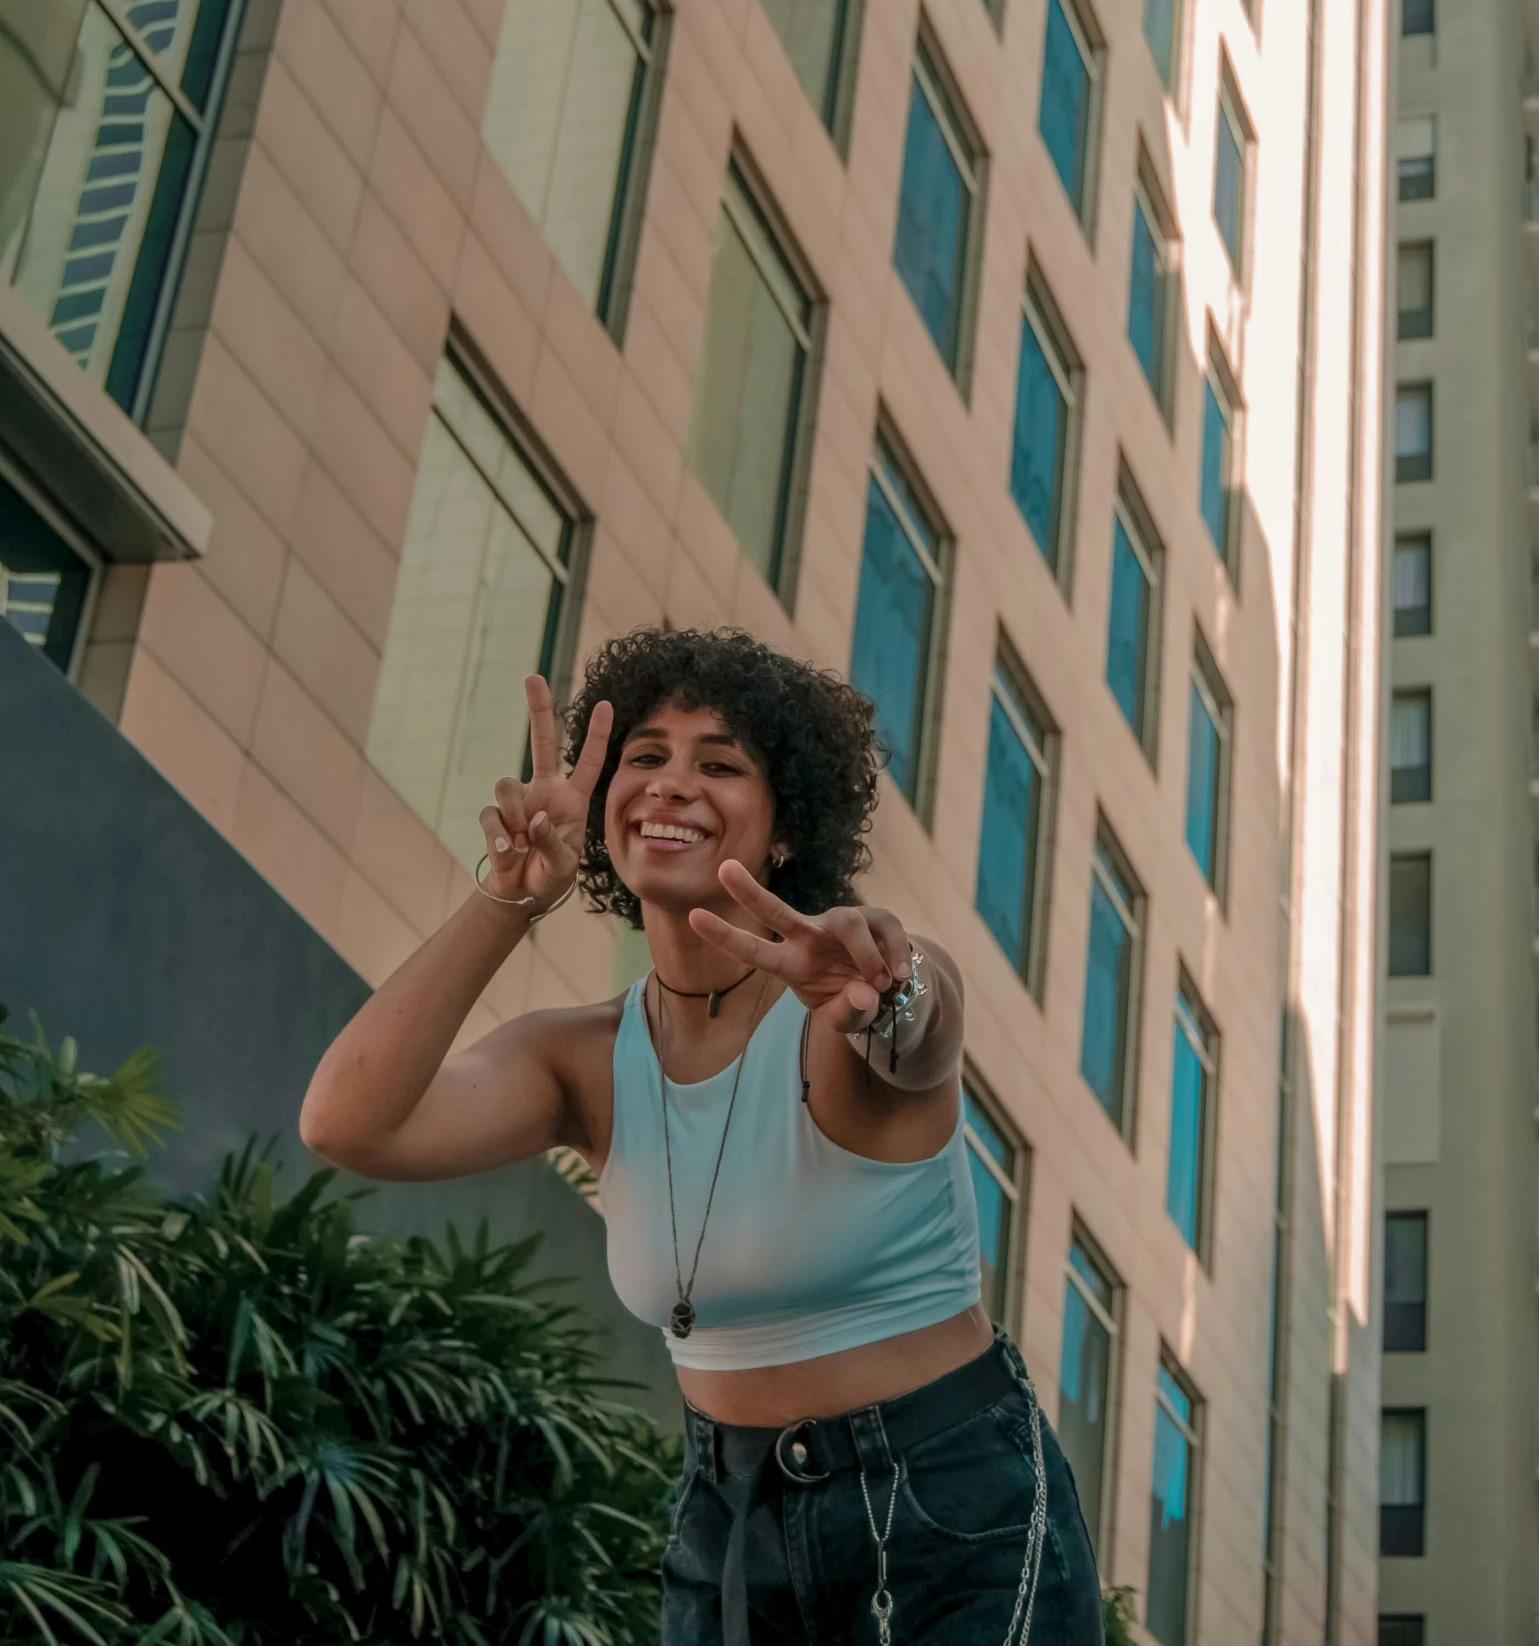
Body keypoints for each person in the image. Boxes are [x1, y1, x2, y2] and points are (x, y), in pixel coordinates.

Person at [301, 626, 1103, 1645]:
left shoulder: (838, 999)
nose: (671, 784)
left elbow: (918, 1025)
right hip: (728, 1519)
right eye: (645, 758)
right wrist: (507, 895)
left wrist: (884, 997)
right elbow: (345, 1121)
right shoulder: (583, 1061)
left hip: (946, 1505)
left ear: (781, 834)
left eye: (718, 764)